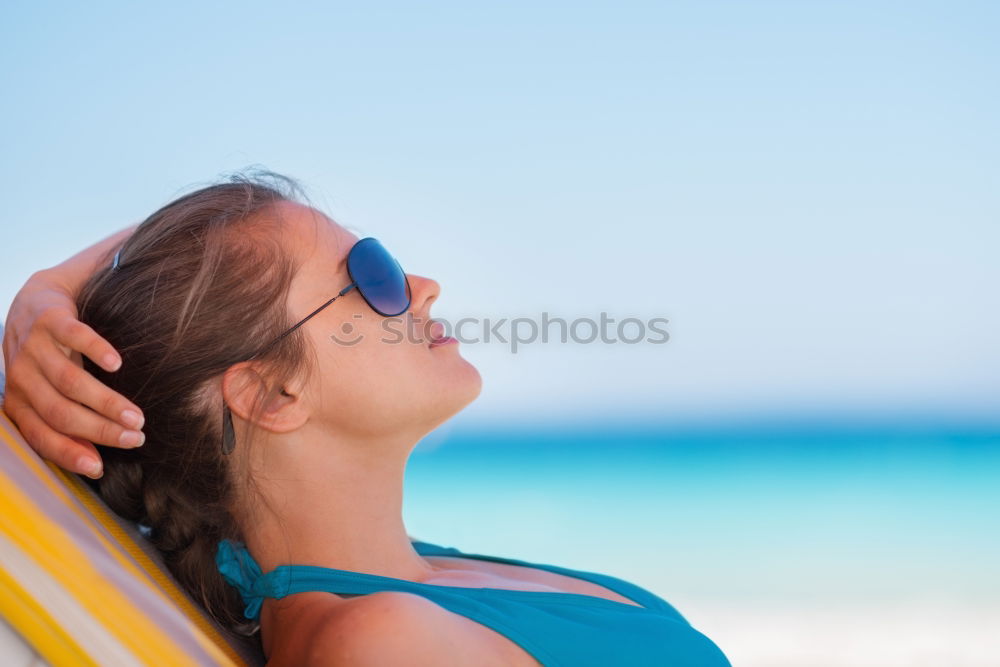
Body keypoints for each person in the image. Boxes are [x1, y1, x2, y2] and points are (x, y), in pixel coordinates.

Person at [2, 171, 731, 666]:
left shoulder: (402, 580)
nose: (423, 285)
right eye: (372, 275)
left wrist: (51, 285)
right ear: (270, 394)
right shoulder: (381, 642)